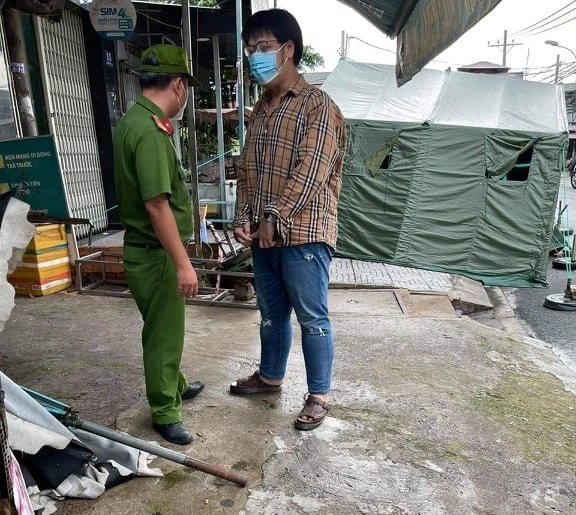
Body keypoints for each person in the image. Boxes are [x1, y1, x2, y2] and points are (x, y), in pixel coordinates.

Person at [230, 9, 347, 431]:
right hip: (263, 235)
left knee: (311, 318)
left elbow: (311, 170)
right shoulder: (261, 109)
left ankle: (318, 395)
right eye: (250, 50)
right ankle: (270, 376)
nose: (255, 56)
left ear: (288, 49)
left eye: (263, 48)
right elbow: (247, 170)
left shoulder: (317, 106)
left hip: (304, 234)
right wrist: (244, 217)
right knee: (270, 313)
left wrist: (275, 216)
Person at [114, 45, 204, 445]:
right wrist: (183, 263)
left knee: (166, 328)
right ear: (178, 85)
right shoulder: (151, 131)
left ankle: (176, 383)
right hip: (157, 254)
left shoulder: (134, 121)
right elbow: (156, 205)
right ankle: (165, 410)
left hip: (146, 251)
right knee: (162, 336)